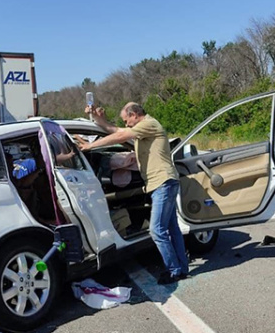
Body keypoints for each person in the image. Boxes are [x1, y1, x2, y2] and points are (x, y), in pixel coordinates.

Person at [75, 102, 189, 283]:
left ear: (135, 115)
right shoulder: (143, 128)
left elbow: (120, 136)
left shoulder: (149, 124)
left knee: (157, 230)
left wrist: (90, 146)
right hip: (164, 182)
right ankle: (182, 267)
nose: (126, 124)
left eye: (127, 120)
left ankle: (174, 270)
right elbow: (114, 130)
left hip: (163, 183)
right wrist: (98, 119)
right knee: (171, 228)